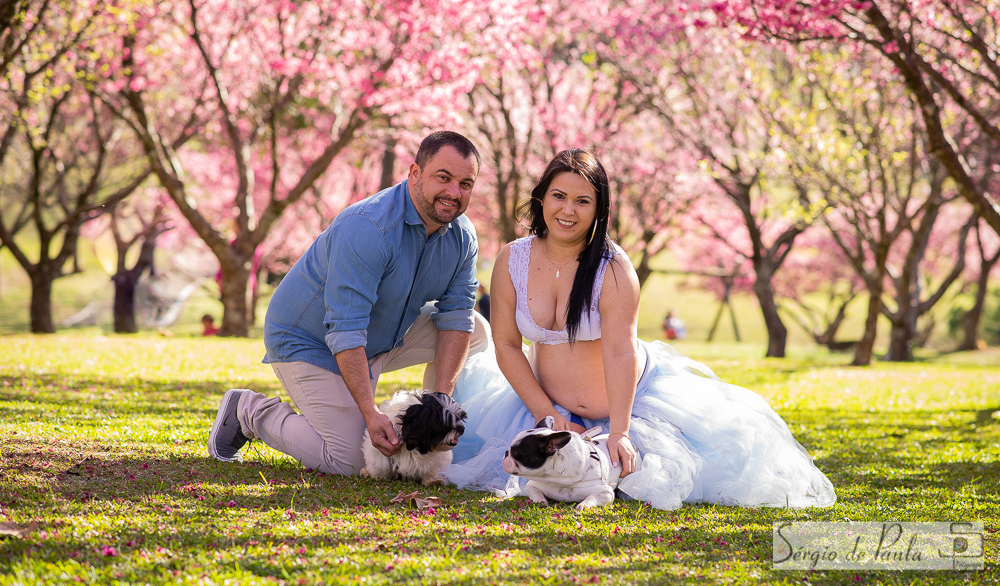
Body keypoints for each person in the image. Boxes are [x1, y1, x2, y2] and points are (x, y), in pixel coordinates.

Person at [446, 149, 835, 510]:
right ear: (541, 198)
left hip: (627, 408)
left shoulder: (614, 268)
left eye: (583, 201)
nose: (568, 210)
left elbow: (620, 352)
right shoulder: (512, 259)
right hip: (546, 408)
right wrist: (546, 416)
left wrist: (620, 431)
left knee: (677, 476)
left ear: (599, 209)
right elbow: (507, 345)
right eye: (558, 196)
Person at [207, 131, 490, 475]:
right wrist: (370, 412)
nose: (454, 193)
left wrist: (440, 404)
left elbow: (457, 317)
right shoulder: (368, 227)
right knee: (352, 459)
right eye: (443, 178)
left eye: (465, 184)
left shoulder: (463, 236)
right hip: (310, 340)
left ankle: (434, 429)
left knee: (477, 330)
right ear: (415, 173)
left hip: (380, 338)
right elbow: (345, 327)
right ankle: (248, 411)